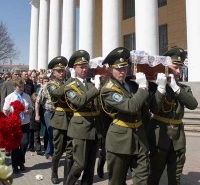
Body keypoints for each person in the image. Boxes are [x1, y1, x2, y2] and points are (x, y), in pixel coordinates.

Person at [148, 47, 198, 185]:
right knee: (154, 175)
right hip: (159, 135)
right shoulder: (155, 87)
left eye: (180, 68)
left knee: (175, 177)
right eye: (175, 67)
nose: (178, 71)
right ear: (165, 67)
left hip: (178, 138)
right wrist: (161, 88)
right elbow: (154, 108)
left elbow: (193, 104)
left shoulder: (183, 88)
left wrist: (175, 87)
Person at [100, 47, 150, 185]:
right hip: (119, 141)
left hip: (139, 139)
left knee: (142, 179)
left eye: (124, 67)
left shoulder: (131, 85)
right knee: (117, 181)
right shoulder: (109, 89)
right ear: (110, 69)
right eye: (118, 68)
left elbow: (145, 109)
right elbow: (131, 107)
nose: (122, 71)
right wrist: (143, 88)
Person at [64, 49, 104, 185]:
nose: (84, 69)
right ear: (74, 68)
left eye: (86, 66)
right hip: (81, 129)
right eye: (81, 67)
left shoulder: (92, 84)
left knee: (89, 167)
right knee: (79, 164)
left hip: (94, 128)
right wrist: (96, 88)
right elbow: (79, 101)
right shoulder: (70, 86)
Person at [46, 56, 73, 185]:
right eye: (59, 71)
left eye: (63, 70)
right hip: (59, 120)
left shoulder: (69, 82)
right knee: (58, 150)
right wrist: (70, 83)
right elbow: (57, 93)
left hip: (72, 120)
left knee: (70, 151)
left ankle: (67, 178)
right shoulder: (52, 84)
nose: (62, 73)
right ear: (53, 72)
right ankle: (54, 172)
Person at [3, 77, 32, 173]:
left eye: (22, 86)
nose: (21, 88)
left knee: (24, 143)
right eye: (19, 86)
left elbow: (31, 107)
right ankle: (15, 165)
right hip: (14, 124)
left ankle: (21, 161)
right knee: (15, 145)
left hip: (25, 123)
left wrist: (28, 111)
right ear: (15, 86)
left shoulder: (27, 96)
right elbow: (5, 110)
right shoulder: (10, 97)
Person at [35, 75, 54, 161]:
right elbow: (38, 102)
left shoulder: (62, 86)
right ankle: (49, 153)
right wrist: (37, 114)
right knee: (50, 132)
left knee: (56, 134)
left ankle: (53, 151)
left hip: (59, 113)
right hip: (48, 112)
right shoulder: (45, 88)